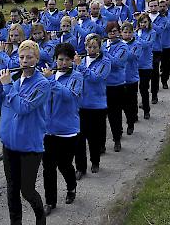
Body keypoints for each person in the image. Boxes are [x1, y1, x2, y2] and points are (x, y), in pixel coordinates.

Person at [0, 40, 49, 225]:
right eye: (22, 57)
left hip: (30, 145)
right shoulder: (16, 81)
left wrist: (7, 85)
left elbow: (23, 107)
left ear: (37, 58)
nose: (24, 60)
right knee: (12, 189)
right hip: (10, 143)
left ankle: (40, 217)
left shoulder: (42, 84)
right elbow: (2, 103)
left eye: (29, 57)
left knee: (27, 190)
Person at [40, 43, 82, 215]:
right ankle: (50, 201)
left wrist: (50, 80)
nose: (63, 63)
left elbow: (69, 97)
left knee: (64, 165)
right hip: (47, 130)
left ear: (72, 60)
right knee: (48, 168)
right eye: (60, 60)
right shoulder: (48, 75)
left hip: (67, 130)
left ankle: (71, 187)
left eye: (66, 60)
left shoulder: (77, 77)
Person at [74, 34, 111, 178]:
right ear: (85, 47)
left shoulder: (105, 62)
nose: (91, 49)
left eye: (95, 47)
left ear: (99, 47)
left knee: (94, 137)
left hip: (97, 105)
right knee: (79, 138)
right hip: (81, 105)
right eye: (89, 47)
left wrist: (80, 66)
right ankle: (80, 167)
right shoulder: (82, 60)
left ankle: (95, 161)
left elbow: (96, 78)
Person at [103, 21, 128, 152]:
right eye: (110, 31)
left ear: (119, 32)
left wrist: (103, 53)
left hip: (116, 84)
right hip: (103, 85)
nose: (112, 33)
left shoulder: (123, 47)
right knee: (102, 116)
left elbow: (116, 62)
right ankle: (101, 144)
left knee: (115, 114)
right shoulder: (104, 45)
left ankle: (117, 139)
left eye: (115, 31)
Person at [121, 22, 142, 135]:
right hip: (121, 78)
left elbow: (131, 56)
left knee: (132, 100)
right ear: (121, 33)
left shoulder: (137, 44)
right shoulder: (119, 44)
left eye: (130, 32)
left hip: (132, 77)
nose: (127, 35)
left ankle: (132, 119)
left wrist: (122, 50)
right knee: (124, 102)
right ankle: (130, 117)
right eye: (125, 32)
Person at [135, 14, 157, 119]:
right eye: (141, 22)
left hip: (146, 65)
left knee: (143, 88)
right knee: (133, 90)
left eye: (145, 22)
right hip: (135, 65)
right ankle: (133, 113)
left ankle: (146, 110)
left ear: (148, 22)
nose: (143, 24)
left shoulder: (152, 33)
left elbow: (146, 45)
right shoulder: (136, 33)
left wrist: (137, 37)